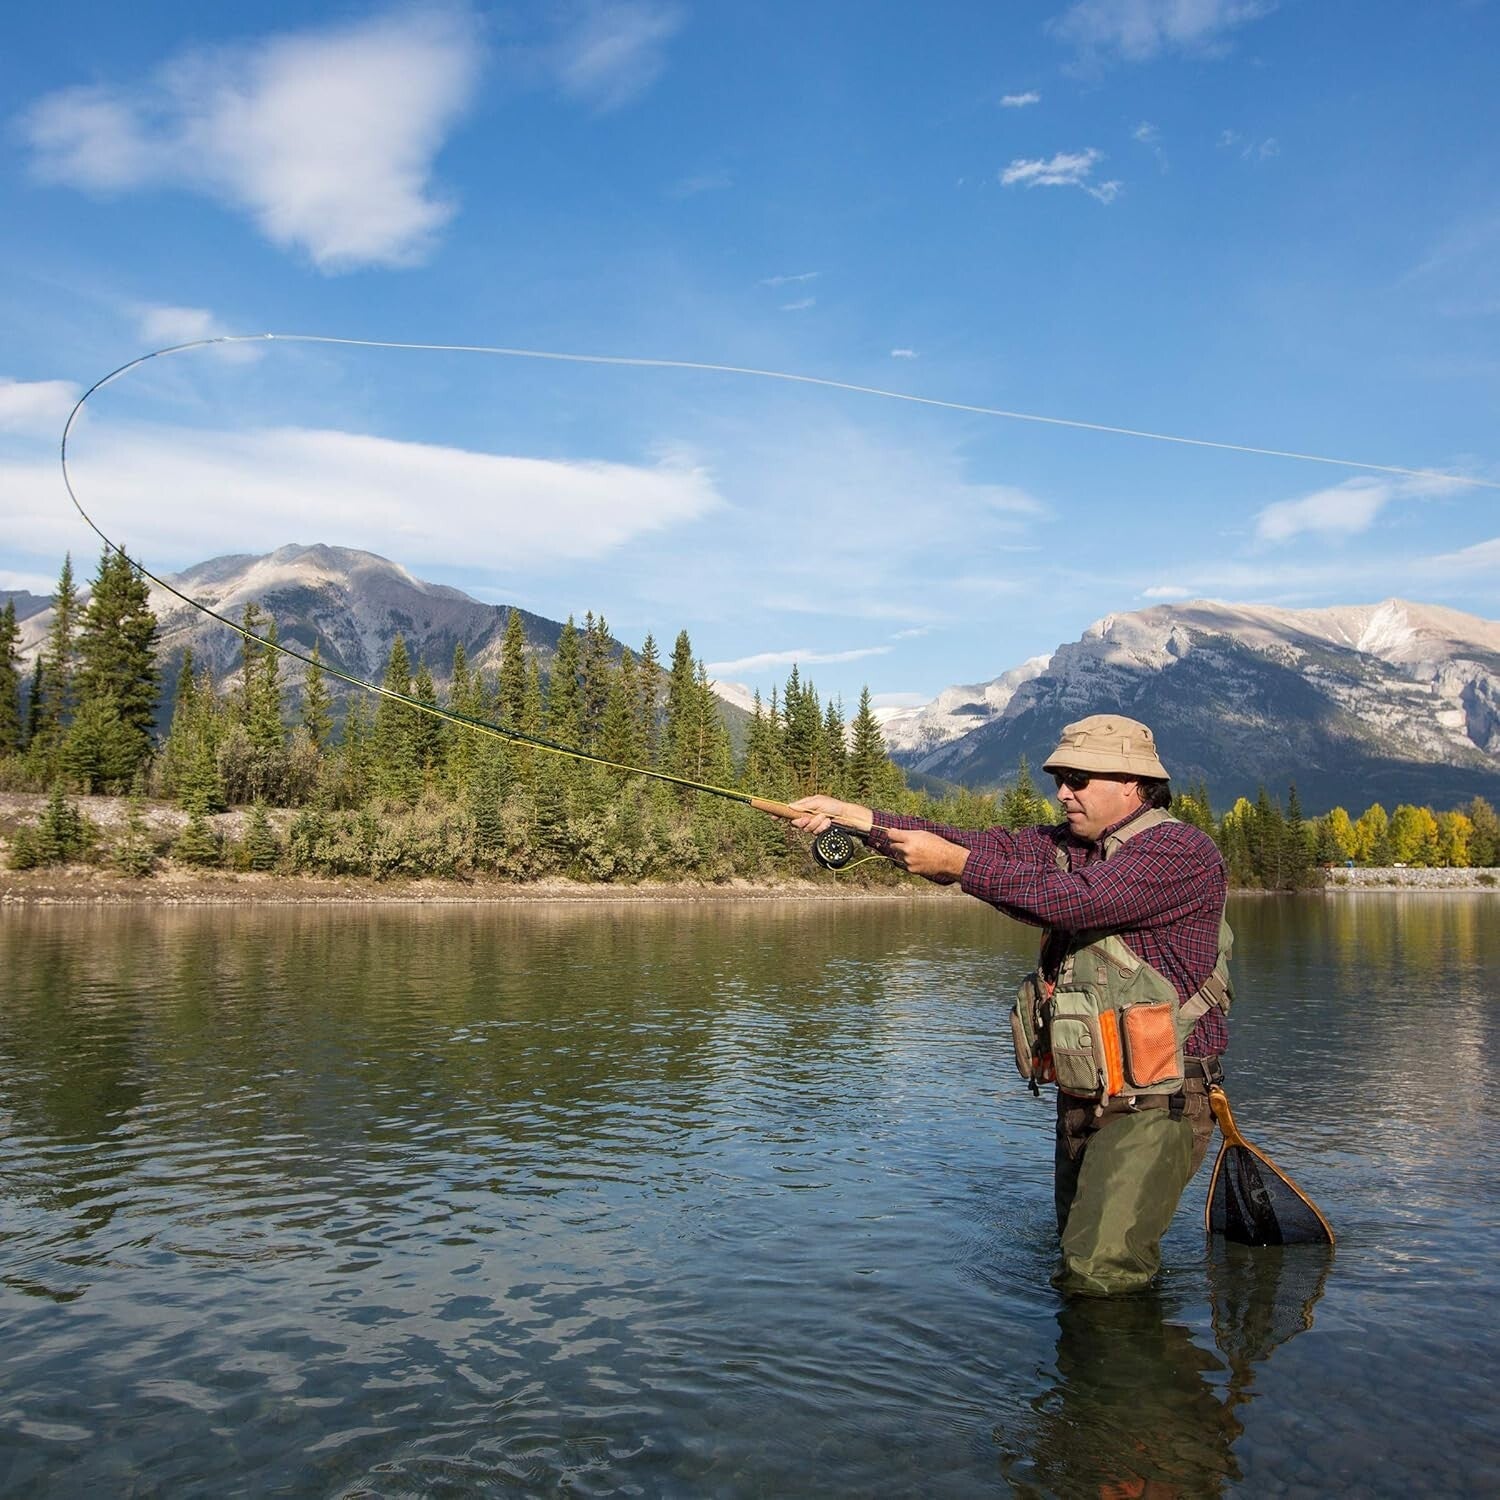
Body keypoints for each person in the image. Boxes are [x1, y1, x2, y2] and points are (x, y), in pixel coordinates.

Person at [786, 713, 1232, 1296]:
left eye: (1077, 778)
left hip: (1159, 1099)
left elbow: (1077, 903)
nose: (1063, 792)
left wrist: (959, 869)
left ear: (1131, 781)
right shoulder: (1068, 847)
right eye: (1058, 779)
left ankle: (1129, 1384)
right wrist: (858, 819)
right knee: (1079, 1259)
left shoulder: (1179, 850)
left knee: (1100, 1276)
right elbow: (973, 843)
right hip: (1084, 1095)